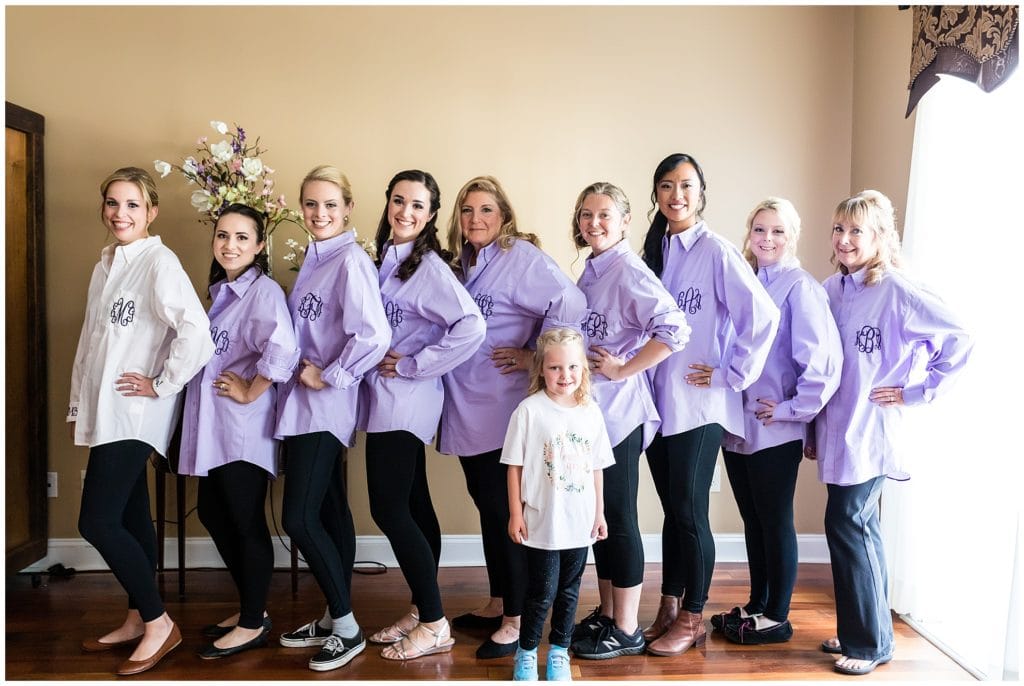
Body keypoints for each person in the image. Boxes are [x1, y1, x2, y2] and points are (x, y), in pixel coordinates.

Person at [807, 190, 971, 676]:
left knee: (848, 524)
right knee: (857, 529)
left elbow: (959, 337)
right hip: (837, 428)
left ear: (880, 237)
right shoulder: (831, 291)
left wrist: (915, 391)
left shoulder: (898, 289)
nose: (845, 239)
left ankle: (870, 643)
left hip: (872, 432)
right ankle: (863, 627)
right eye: (839, 229)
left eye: (857, 230)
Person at [70, 167, 214, 676]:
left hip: (133, 413)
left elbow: (196, 334)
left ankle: (158, 623)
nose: (120, 214)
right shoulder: (106, 263)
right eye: (112, 203)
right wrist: (79, 404)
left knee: (96, 521)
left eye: (132, 204)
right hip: (107, 408)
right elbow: (94, 344)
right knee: (130, 516)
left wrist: (161, 382)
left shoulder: (159, 262)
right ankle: (136, 616)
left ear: (151, 211)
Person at [439, 176, 588, 658]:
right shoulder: (464, 263)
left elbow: (571, 303)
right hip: (466, 404)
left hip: (501, 406)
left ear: (504, 215)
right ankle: (499, 600)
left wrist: (534, 356)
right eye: (467, 210)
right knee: (488, 510)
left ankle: (517, 619)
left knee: (507, 512)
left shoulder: (519, 257)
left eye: (486, 210)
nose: (475, 219)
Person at [640, 153, 780, 657]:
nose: (676, 195)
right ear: (655, 194)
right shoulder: (653, 252)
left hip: (699, 406)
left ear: (702, 194)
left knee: (689, 511)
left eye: (686, 186)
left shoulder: (717, 251)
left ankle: (694, 616)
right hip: (658, 403)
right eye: (666, 186)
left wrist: (731, 374)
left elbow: (761, 316)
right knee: (672, 512)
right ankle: (670, 604)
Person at [358, 170, 485, 660]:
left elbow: (470, 326)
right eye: (398, 200)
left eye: (417, 205)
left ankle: (435, 623)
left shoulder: (428, 266)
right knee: (413, 503)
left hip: (405, 398)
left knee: (388, 508)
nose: (405, 212)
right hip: (386, 398)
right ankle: (421, 606)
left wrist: (415, 364)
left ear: (431, 215)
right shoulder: (384, 259)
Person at [564, 183, 690, 660]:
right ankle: (608, 610)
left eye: (604, 215)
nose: (593, 223)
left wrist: (622, 367)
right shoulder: (593, 270)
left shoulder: (629, 270)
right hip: (594, 414)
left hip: (620, 415)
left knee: (618, 518)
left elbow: (674, 329)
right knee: (598, 519)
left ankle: (628, 626)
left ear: (625, 221)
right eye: (586, 214)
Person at [275, 165, 391, 673]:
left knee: (298, 517)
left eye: (329, 205)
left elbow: (373, 336)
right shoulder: (315, 260)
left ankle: (346, 627)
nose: (319, 214)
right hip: (302, 407)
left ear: (347, 209)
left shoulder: (350, 261)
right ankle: (331, 615)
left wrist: (331, 377)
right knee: (330, 512)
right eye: (310, 205)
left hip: (323, 408)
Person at [716, 198, 842, 645]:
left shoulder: (801, 288)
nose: (767, 239)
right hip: (737, 425)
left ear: (793, 237)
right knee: (753, 519)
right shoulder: (743, 281)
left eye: (778, 232)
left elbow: (822, 364)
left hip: (775, 425)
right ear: (748, 233)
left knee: (773, 519)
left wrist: (791, 411)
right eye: (760, 230)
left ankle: (778, 616)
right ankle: (757, 602)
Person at [178, 203, 299, 659]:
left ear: (260, 245)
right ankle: (253, 603)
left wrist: (252, 390)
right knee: (213, 511)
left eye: (242, 237)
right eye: (223, 236)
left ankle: (253, 622)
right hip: (215, 428)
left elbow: (282, 348)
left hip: (242, 428)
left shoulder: (262, 291)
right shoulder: (223, 291)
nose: (230, 245)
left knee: (246, 521)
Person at [502, 328, 614, 681]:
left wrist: (599, 513)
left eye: (572, 367)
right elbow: (514, 467)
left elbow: (596, 467)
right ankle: (527, 651)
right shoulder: (529, 411)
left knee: (570, 592)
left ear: (583, 369)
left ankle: (560, 652)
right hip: (542, 522)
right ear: (541, 369)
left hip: (579, 523)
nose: (564, 376)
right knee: (542, 591)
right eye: (554, 368)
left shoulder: (590, 412)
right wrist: (516, 513)